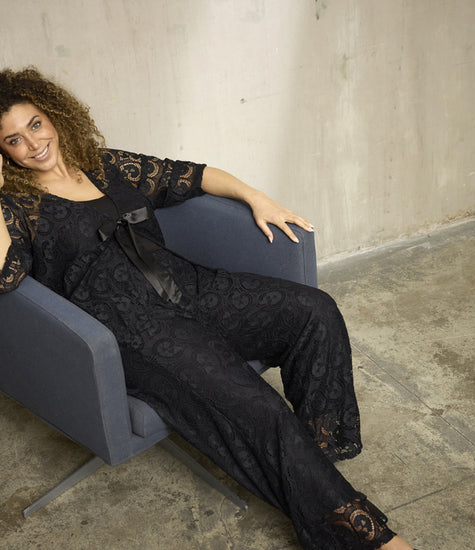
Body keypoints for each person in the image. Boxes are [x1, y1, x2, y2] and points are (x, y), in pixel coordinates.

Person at [0, 67, 414, 550]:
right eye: (13, 140)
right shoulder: (16, 206)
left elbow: (193, 176)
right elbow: (5, 277)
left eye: (35, 124)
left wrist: (258, 198)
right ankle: (365, 536)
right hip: (135, 331)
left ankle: (314, 463)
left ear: (54, 115)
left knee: (314, 312)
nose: (33, 143)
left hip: (190, 288)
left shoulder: (104, 164)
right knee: (260, 407)